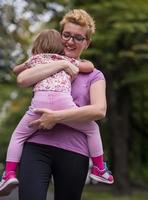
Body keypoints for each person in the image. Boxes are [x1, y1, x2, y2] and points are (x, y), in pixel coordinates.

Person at [3, 9, 113, 200]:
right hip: (36, 146)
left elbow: (99, 110)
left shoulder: (95, 76)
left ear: (87, 43)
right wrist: (61, 64)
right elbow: (21, 79)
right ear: (60, 35)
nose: (70, 41)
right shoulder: (45, 62)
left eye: (78, 38)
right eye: (67, 35)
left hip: (74, 151)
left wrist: (56, 117)